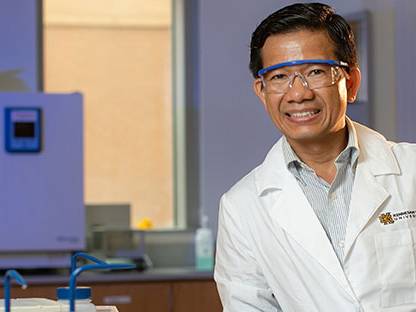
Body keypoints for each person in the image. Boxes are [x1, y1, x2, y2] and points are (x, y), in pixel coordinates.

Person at [214, 2, 416, 311]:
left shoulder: (411, 170)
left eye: (315, 72)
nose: (298, 93)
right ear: (262, 90)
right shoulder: (241, 206)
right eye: (279, 76)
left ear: (350, 82)